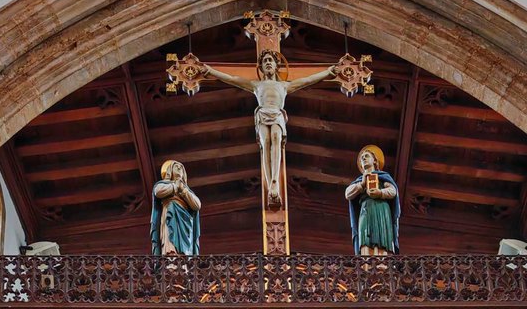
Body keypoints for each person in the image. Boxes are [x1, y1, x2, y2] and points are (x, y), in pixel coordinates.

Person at [202, 50, 338, 209]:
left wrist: (327, 72)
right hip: (262, 113)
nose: (267, 63)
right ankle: (270, 183)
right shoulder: (256, 85)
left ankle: (275, 179)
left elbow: (307, 80)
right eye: (264, 61)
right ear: (261, 68)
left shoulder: (284, 86)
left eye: (270, 61)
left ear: (276, 65)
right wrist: (212, 71)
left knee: (276, 139)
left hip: (277, 114)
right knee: (265, 143)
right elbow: (232, 79)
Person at [345, 145, 400, 255]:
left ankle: (381, 264)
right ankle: (367, 263)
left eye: (366, 156)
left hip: (381, 208)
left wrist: (380, 193)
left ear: (374, 161)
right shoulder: (360, 180)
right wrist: (361, 185)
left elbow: (393, 191)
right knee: (364, 233)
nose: (363, 159)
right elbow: (348, 194)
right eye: (362, 158)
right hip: (365, 208)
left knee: (382, 233)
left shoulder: (382, 176)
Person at [150, 159, 201, 255]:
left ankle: (184, 261)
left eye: (181, 168)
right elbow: (158, 192)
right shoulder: (163, 184)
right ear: (170, 170)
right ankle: (171, 261)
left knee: (185, 245)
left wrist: (183, 190)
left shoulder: (185, 189)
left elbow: (197, 205)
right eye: (176, 167)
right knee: (170, 237)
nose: (179, 169)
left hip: (185, 219)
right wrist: (174, 186)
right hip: (170, 212)